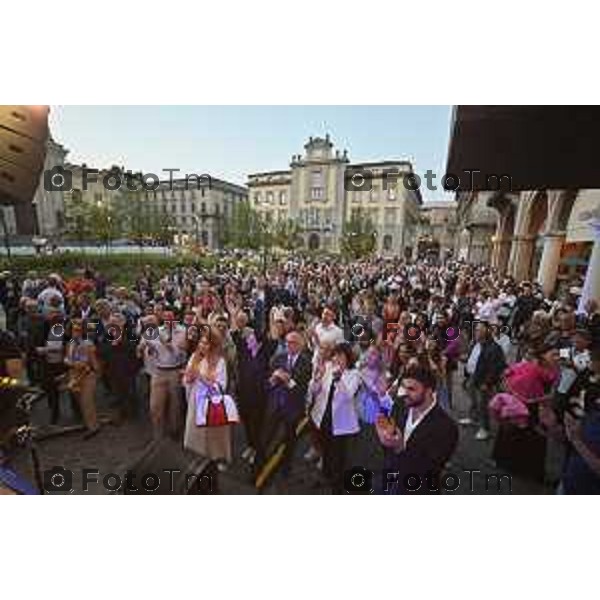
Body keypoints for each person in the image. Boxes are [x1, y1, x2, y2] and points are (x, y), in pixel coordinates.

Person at [375, 364, 459, 494]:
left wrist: (399, 448)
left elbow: (430, 469)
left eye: (411, 389)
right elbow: (389, 448)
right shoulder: (400, 406)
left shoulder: (446, 427)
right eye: (403, 387)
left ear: (429, 391)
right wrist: (385, 437)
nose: (404, 393)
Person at [492, 341, 561, 483]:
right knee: (519, 436)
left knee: (534, 441)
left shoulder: (554, 371)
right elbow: (510, 379)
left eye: (558, 354)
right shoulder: (530, 368)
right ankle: (514, 466)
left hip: (537, 409)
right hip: (524, 408)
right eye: (553, 354)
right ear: (542, 356)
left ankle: (529, 470)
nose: (557, 357)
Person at [308, 342, 361, 493]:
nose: (337, 358)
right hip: (323, 416)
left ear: (348, 358)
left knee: (338, 455)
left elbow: (348, 395)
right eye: (335, 355)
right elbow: (314, 391)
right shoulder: (328, 368)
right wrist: (317, 377)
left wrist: (339, 379)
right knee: (325, 449)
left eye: (341, 355)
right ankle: (325, 476)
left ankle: (337, 487)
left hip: (341, 422)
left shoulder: (354, 374)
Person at [183, 330, 234, 469]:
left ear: (213, 346)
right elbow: (186, 380)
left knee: (214, 434)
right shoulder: (194, 357)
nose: (202, 346)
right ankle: (198, 458)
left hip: (213, 403)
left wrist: (201, 377)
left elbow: (221, 386)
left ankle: (217, 458)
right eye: (201, 342)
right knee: (197, 432)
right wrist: (188, 379)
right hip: (196, 400)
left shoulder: (220, 362)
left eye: (206, 343)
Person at [560, 348, 600, 493]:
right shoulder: (587, 373)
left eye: (594, 360)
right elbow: (574, 390)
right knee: (570, 456)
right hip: (575, 422)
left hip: (588, 434)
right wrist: (566, 411)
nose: (591, 362)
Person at [462, 322, 507, 440]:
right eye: (476, 329)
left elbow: (496, 367)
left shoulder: (494, 348)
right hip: (473, 377)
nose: (476, 332)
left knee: (483, 404)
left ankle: (485, 428)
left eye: (479, 330)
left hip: (483, 381)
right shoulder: (476, 343)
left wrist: (487, 383)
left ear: (487, 331)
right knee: (474, 400)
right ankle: (473, 418)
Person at [64, 318, 100, 439]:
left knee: (87, 402)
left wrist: (71, 363)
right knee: (80, 401)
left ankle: (93, 427)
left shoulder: (87, 344)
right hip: (74, 375)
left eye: (79, 330)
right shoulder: (70, 343)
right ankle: (88, 423)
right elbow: (67, 358)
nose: (76, 332)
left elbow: (89, 364)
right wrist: (70, 364)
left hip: (87, 375)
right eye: (74, 330)